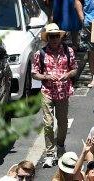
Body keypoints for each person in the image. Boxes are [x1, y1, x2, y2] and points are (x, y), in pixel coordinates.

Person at [32, 23, 79, 168]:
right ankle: (50, 153)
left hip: (63, 91)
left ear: (60, 37)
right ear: (47, 38)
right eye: (51, 36)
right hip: (47, 92)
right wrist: (45, 77)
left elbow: (75, 69)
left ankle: (60, 145)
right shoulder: (40, 53)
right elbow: (34, 74)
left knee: (63, 122)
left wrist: (68, 75)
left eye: (56, 36)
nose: (54, 39)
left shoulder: (68, 50)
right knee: (48, 123)